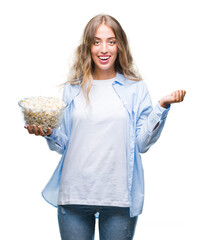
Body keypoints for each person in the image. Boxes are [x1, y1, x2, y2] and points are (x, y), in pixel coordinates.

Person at [25, 14, 186, 240]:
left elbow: (141, 144)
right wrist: (48, 132)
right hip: (75, 193)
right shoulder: (73, 88)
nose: (104, 49)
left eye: (111, 41)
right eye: (96, 41)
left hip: (118, 196)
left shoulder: (135, 88)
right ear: (88, 46)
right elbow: (63, 144)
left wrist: (162, 106)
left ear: (120, 45)